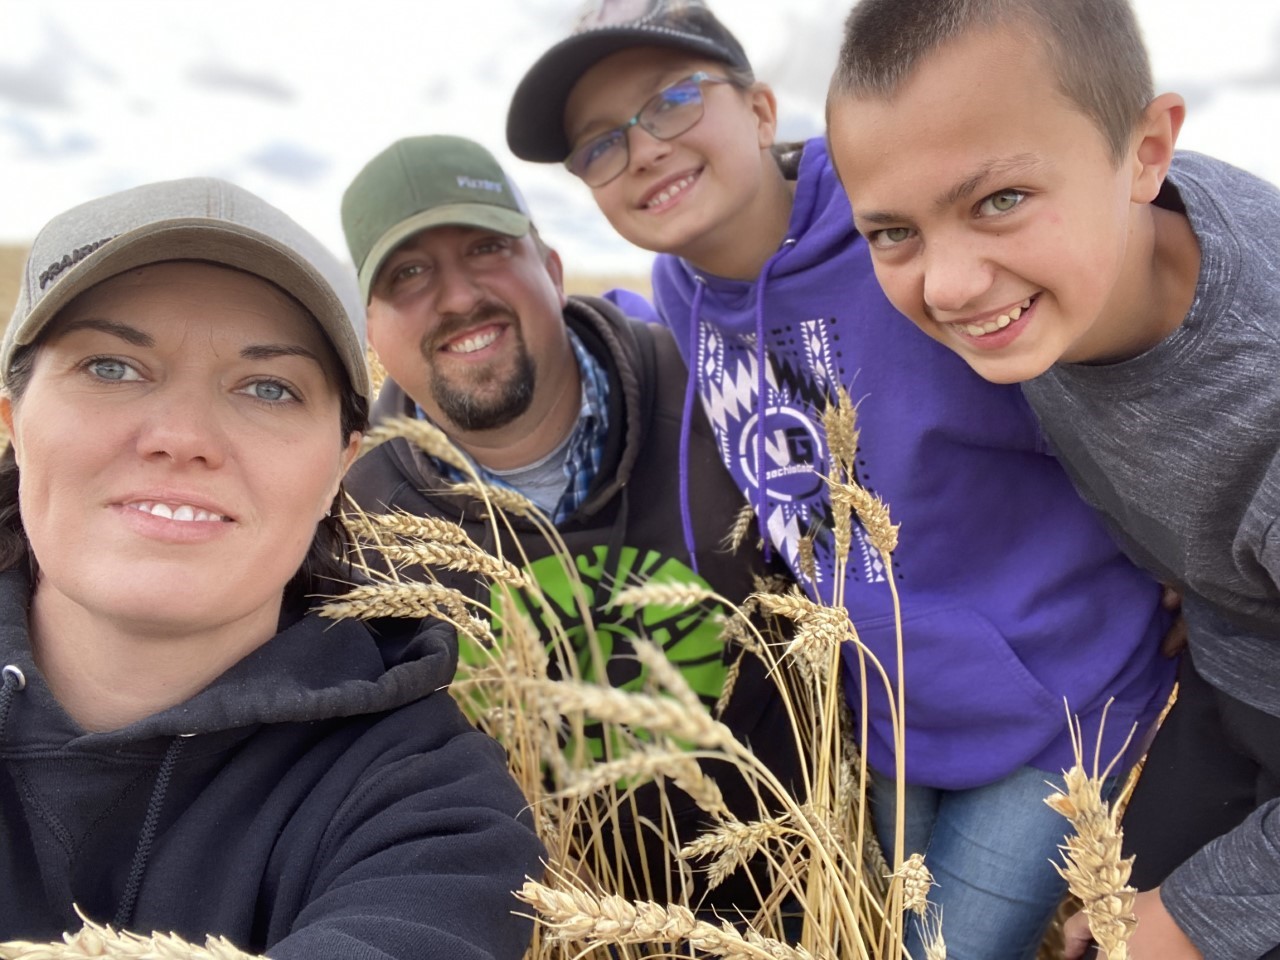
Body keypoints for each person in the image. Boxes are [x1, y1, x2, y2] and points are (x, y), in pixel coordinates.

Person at [504, 2, 1178, 957]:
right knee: (865, 936)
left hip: (1055, 703)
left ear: (763, 108)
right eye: (599, 145)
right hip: (896, 716)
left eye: (672, 101)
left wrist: (1186, 569)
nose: (641, 150)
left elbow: (1106, 384)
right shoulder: (679, 293)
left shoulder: (907, 242)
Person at [825, 0, 1280, 957]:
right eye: (894, 231)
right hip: (1232, 672)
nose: (947, 286)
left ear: (1147, 150)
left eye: (998, 201)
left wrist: (1202, 918)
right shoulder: (1075, 257)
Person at [0, 177, 543, 959]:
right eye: (112, 367)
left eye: (268, 387)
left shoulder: (429, 810)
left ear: (339, 469)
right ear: (16, 421)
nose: (183, 436)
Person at [339, 135, 799, 916]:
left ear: (550, 270)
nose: (456, 298)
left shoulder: (718, 399)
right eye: (408, 275)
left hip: (801, 909)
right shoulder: (352, 520)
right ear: (373, 332)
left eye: (486, 248)